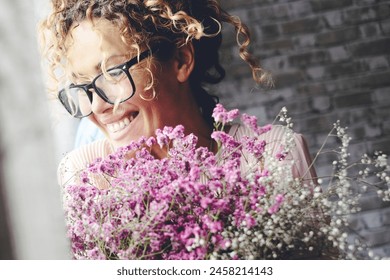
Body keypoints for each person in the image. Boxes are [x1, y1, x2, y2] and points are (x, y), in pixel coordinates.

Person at [39, 0, 316, 188]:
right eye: (82, 84)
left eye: (113, 73)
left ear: (181, 60)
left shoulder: (277, 156)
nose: (97, 106)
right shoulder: (84, 178)